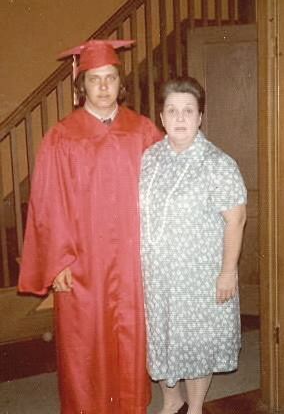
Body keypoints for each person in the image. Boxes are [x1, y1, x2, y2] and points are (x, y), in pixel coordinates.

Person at [18, 39, 162, 414]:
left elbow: (167, 190)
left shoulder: (143, 130)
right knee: (84, 341)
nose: (103, 87)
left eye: (110, 78)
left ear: (120, 82)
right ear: (81, 86)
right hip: (82, 260)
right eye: (95, 79)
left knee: (130, 336)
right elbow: (47, 202)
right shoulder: (62, 135)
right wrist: (57, 262)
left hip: (132, 259)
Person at [139, 77, 247, 414]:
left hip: (200, 275)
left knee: (196, 343)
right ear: (161, 116)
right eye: (172, 110)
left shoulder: (218, 164)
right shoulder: (149, 159)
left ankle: (196, 408)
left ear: (200, 117)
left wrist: (227, 273)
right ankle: (171, 403)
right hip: (158, 276)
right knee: (163, 338)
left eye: (188, 110)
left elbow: (236, 220)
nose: (180, 118)